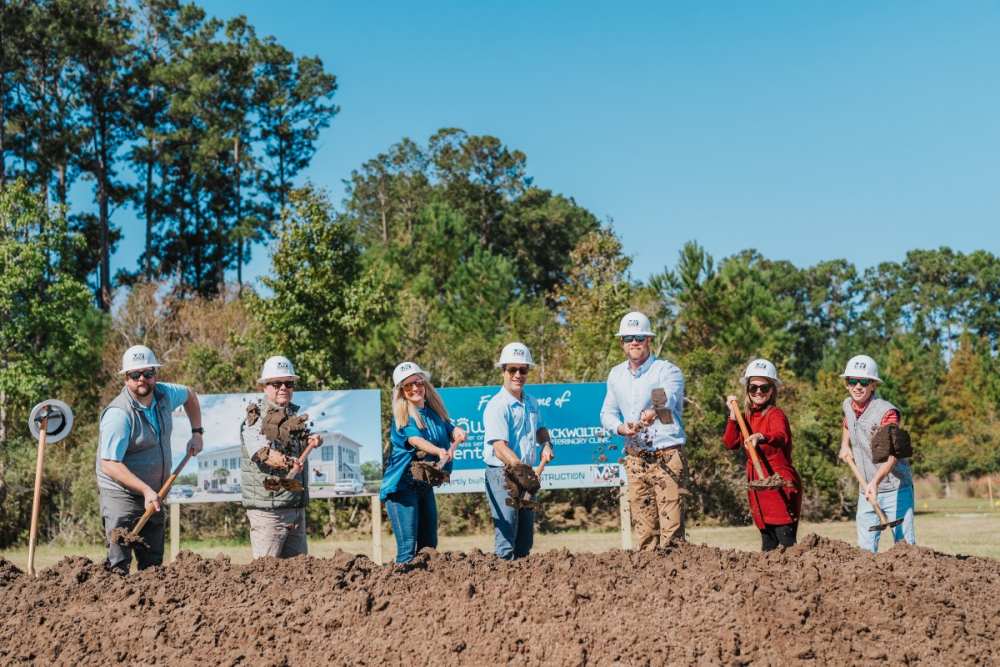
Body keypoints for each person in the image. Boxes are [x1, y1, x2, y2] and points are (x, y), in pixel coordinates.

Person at [97, 344, 203, 573]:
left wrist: (197, 433)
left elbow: (190, 395)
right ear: (126, 378)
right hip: (121, 495)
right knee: (119, 562)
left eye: (148, 373)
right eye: (135, 375)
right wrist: (145, 491)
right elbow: (109, 464)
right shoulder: (119, 415)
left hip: (155, 492)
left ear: (156, 373)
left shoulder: (165, 394)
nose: (142, 379)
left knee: (153, 564)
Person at [600, 311, 687, 549]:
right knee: (644, 528)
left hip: (666, 455)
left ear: (649, 340)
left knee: (672, 527)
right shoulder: (616, 374)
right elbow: (606, 413)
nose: (634, 342)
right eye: (629, 338)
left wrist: (653, 411)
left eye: (639, 337)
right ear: (622, 343)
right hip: (636, 458)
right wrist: (620, 427)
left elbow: (666, 398)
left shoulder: (666, 370)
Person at [381, 362, 467, 563]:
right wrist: (438, 451)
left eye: (418, 382)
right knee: (408, 549)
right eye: (407, 385)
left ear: (425, 384)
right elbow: (415, 440)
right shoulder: (403, 416)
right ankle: (400, 587)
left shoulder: (435, 412)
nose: (414, 388)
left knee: (429, 546)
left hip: (423, 485)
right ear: (401, 391)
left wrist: (458, 432)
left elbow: (450, 428)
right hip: (401, 487)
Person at [240, 355, 322, 559]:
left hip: (294, 507)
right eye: (276, 383)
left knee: (299, 577)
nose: (283, 387)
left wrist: (312, 440)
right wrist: (288, 462)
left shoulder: (294, 417)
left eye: (288, 383)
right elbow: (262, 454)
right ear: (265, 387)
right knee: (267, 577)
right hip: (269, 512)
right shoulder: (255, 418)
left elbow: (297, 448)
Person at [482, 342, 553, 560]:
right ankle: (502, 583)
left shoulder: (531, 402)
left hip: (526, 474)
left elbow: (540, 429)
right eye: (512, 369)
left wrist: (547, 444)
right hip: (503, 475)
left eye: (523, 370)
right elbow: (499, 447)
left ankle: (522, 586)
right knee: (507, 534)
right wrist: (521, 471)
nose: (518, 375)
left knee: (525, 540)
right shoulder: (497, 405)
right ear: (503, 371)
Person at [838, 354, 915, 552]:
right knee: (865, 551)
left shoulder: (887, 412)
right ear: (846, 384)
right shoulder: (848, 405)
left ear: (873, 385)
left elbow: (893, 453)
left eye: (863, 381)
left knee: (905, 550)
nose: (857, 386)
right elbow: (848, 422)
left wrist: (876, 482)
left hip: (894, 489)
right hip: (866, 490)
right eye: (852, 381)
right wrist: (844, 445)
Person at [723, 358, 802, 551]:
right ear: (747, 390)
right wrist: (733, 418)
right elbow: (730, 443)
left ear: (772, 390)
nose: (758, 392)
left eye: (764, 388)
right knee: (768, 543)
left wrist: (761, 436)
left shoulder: (776, 414)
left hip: (779, 483)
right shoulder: (746, 417)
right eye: (753, 388)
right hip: (758, 485)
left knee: (785, 542)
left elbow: (780, 436)